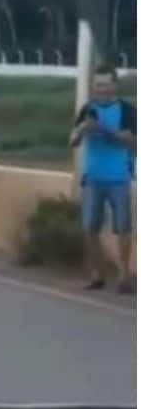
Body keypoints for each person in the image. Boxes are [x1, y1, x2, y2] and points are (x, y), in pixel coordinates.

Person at [70, 64, 136, 294]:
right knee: (90, 228)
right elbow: (72, 140)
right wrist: (81, 132)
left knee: (123, 228)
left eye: (106, 85)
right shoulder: (87, 109)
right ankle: (97, 274)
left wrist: (104, 129)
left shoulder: (127, 110)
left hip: (119, 177)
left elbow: (133, 142)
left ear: (114, 85)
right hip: (93, 178)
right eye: (99, 85)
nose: (102, 89)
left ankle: (124, 275)